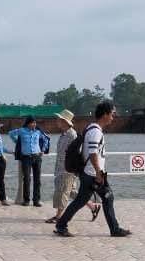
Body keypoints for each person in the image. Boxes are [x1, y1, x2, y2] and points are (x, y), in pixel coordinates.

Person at [53, 101, 130, 238]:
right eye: (112, 114)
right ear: (105, 115)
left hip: (90, 173)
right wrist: (99, 172)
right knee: (108, 197)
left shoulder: (92, 129)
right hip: (93, 174)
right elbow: (93, 153)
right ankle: (115, 229)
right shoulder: (95, 132)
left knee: (81, 201)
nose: (113, 117)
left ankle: (61, 225)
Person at [46, 109, 81, 223]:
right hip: (60, 167)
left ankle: (59, 216)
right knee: (71, 192)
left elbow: (76, 152)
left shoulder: (72, 135)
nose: (57, 121)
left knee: (63, 192)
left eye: (59, 119)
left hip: (68, 169)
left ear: (65, 121)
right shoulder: (64, 134)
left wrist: (73, 168)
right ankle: (93, 206)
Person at [10, 116, 49, 207]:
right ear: (28, 123)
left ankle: (36, 200)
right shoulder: (22, 131)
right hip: (26, 158)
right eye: (32, 122)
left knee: (37, 179)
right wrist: (17, 142)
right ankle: (26, 200)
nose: (34, 124)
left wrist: (43, 150)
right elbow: (10, 133)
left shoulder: (38, 132)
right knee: (27, 179)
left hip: (37, 157)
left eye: (35, 122)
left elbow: (46, 139)